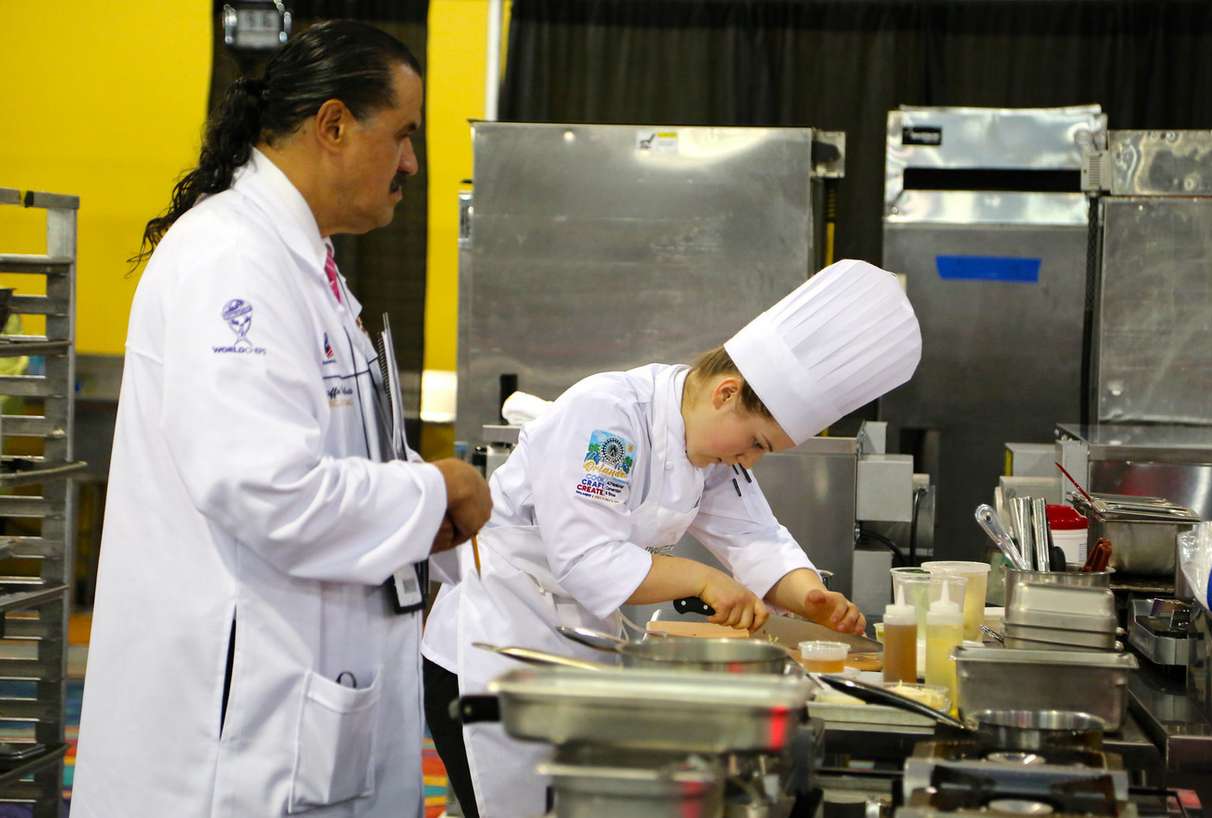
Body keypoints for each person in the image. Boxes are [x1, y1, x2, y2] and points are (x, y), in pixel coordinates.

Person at [72, 21, 492, 818]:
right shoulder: (233, 262)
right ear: (333, 126)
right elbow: (266, 488)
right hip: (236, 742)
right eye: (403, 135)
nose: (412, 164)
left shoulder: (308, 269)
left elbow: (344, 455)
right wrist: (435, 492)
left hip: (304, 709)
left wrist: (430, 511)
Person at [421, 258, 924, 817]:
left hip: (576, 654)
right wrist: (705, 579)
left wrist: (809, 596)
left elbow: (753, 535)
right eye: (755, 442)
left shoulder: (707, 449)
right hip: (492, 652)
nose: (750, 459)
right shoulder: (609, 415)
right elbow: (588, 560)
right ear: (726, 393)